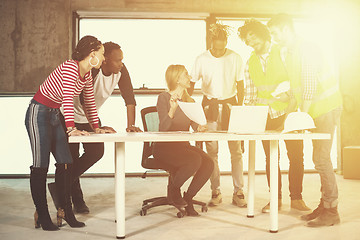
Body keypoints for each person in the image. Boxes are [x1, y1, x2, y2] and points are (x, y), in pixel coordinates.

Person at [24, 35, 108, 231]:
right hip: (38, 113)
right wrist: (71, 128)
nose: (104, 59)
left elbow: (89, 102)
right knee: (40, 166)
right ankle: (43, 217)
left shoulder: (86, 74)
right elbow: (67, 99)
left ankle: (67, 213)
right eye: (102, 54)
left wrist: (96, 127)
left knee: (66, 163)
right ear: (92, 54)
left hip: (53, 115)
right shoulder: (71, 67)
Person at [47, 42, 141, 214]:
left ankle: (60, 186)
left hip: (89, 116)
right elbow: (85, 101)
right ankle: (76, 200)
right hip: (67, 116)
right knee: (70, 158)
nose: (121, 63)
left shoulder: (121, 70)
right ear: (104, 60)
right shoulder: (93, 70)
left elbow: (129, 98)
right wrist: (97, 125)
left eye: (122, 60)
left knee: (96, 151)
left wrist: (130, 125)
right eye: (117, 60)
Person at [267, 13, 343, 227]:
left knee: (321, 159)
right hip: (317, 109)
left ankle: (331, 210)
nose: (273, 38)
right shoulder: (289, 53)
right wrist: (288, 100)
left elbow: (309, 86)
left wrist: (302, 118)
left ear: (286, 29)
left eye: (275, 33)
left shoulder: (306, 49)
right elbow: (299, 87)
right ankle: (325, 205)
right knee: (318, 157)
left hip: (326, 107)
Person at [238, 19, 311, 213]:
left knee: (296, 156)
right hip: (265, 116)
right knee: (272, 158)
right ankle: (275, 199)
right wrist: (249, 119)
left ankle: (296, 198)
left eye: (252, 37)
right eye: (247, 40)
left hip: (289, 112)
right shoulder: (249, 63)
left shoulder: (284, 53)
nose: (251, 43)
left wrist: (293, 111)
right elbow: (250, 95)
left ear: (263, 34)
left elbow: (296, 82)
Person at [189, 23, 246, 207]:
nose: (219, 50)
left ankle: (239, 192)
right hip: (209, 107)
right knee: (212, 152)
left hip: (230, 106)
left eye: (222, 47)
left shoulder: (235, 58)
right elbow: (191, 83)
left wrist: (240, 108)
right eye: (216, 47)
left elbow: (240, 85)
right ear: (211, 42)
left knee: (236, 152)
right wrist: (189, 107)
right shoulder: (201, 59)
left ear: (226, 42)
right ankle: (216, 191)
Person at [153, 64, 214, 216]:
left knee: (208, 163)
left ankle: (188, 199)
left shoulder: (189, 100)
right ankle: (174, 190)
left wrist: (199, 127)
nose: (189, 78)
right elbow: (163, 128)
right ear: (177, 78)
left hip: (182, 146)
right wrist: (172, 109)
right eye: (186, 75)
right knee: (194, 159)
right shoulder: (163, 97)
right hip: (164, 148)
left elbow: (194, 126)